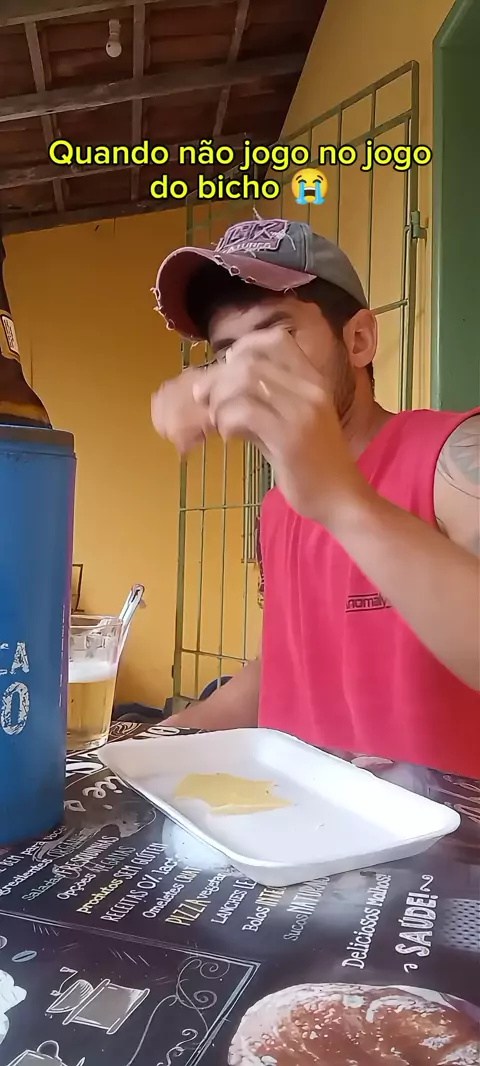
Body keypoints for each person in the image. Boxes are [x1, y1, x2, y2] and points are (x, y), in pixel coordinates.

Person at [151, 217, 480, 778]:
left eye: (275, 340)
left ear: (359, 341)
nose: (247, 375)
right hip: (289, 821)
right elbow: (284, 666)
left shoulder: (454, 453)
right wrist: (153, 744)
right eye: (228, 355)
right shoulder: (278, 505)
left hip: (443, 833)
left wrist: (340, 498)